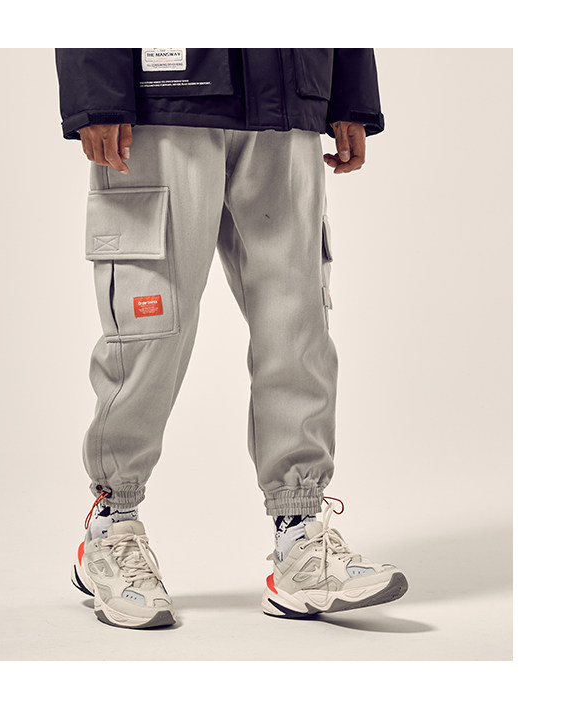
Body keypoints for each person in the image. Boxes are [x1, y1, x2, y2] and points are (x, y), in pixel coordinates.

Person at [55, 48, 408, 629]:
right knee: (150, 332)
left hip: (288, 95)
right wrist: (97, 96)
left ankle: (300, 540)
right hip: (163, 95)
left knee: (297, 329)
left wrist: (349, 93)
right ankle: (111, 523)